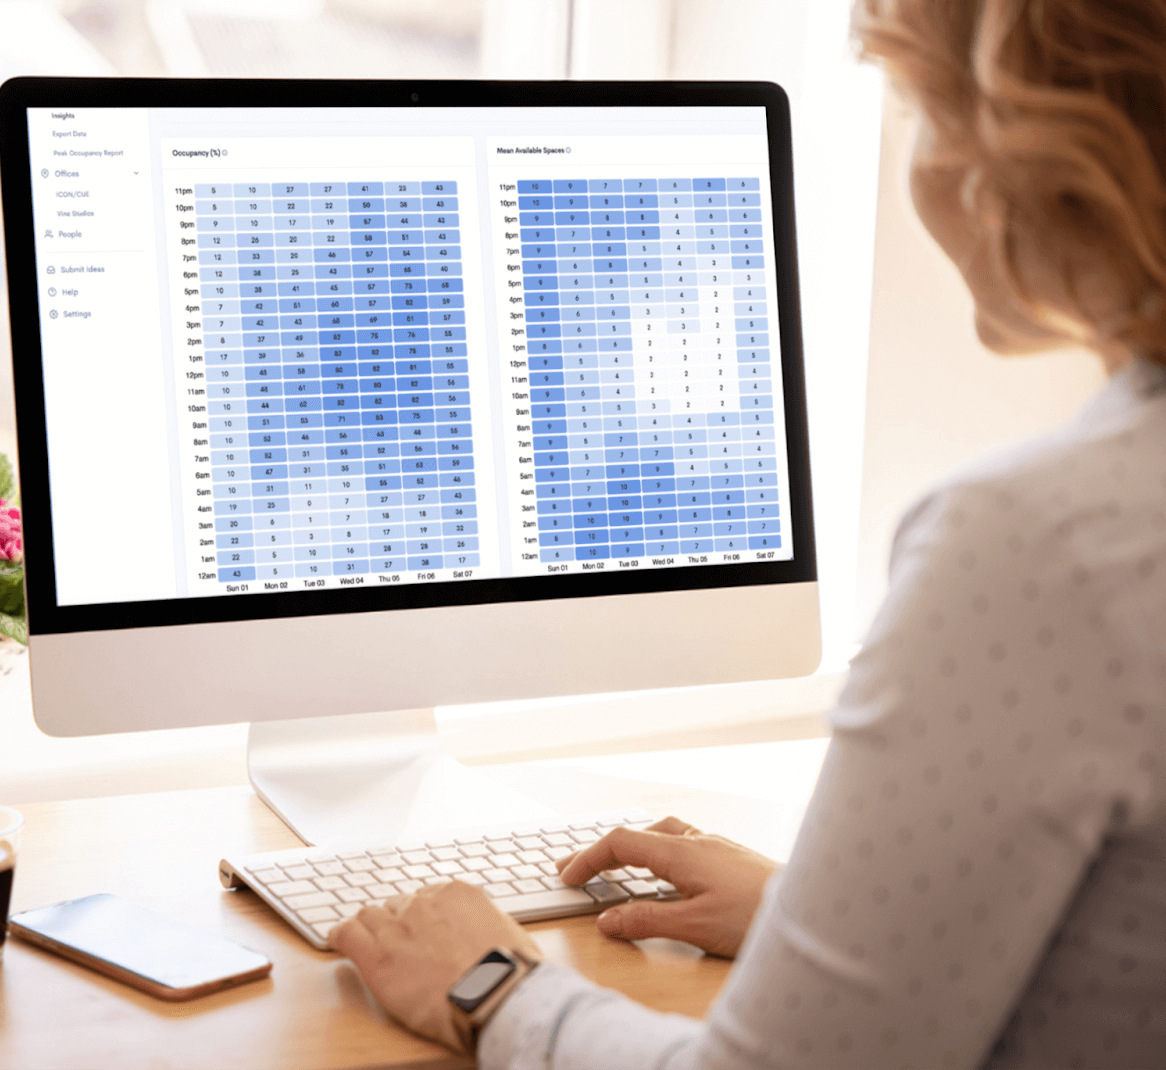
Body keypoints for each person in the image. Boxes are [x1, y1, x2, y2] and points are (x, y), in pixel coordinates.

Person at [331, 0, 1166, 1065]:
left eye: (922, 111)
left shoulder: (1035, 552)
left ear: (1027, 145)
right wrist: (812, 918)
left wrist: (491, 984)